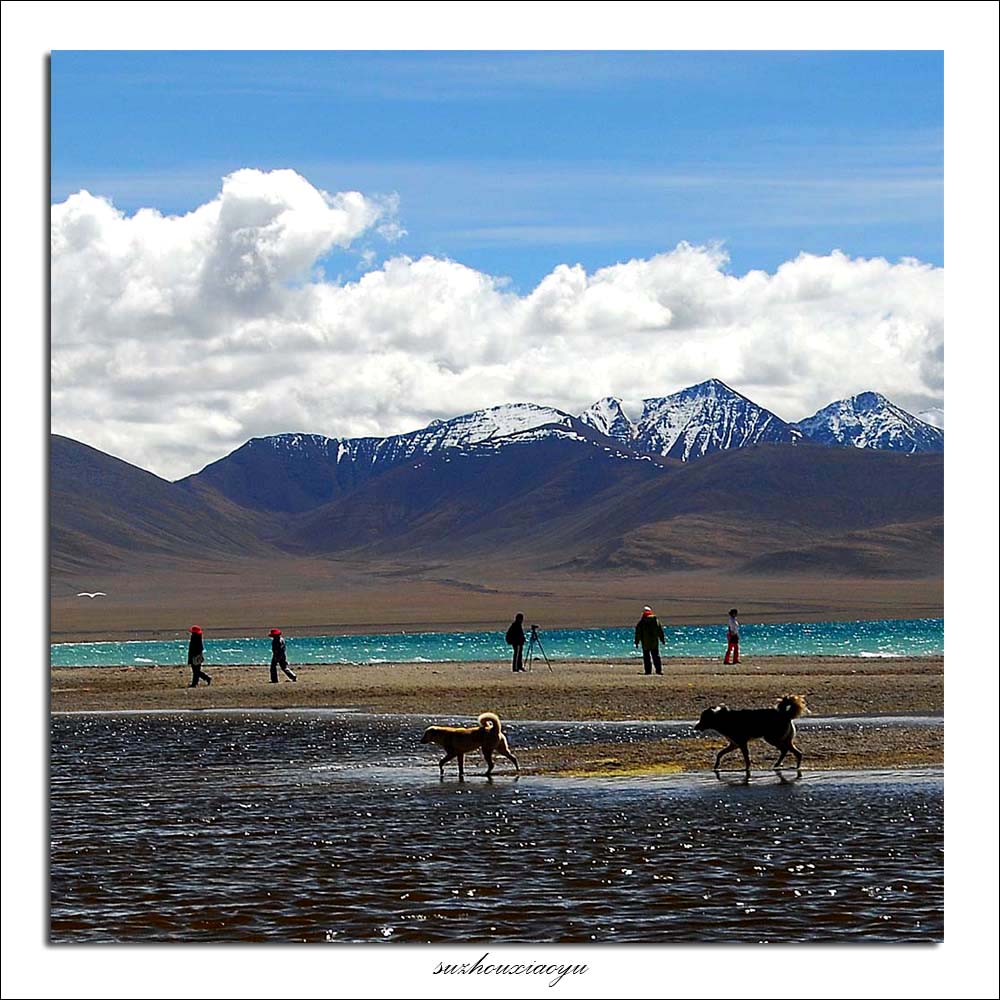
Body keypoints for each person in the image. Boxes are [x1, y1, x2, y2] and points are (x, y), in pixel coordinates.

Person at [634, 606, 666, 675]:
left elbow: (638, 633)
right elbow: (660, 631)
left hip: (645, 643)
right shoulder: (655, 621)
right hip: (654, 642)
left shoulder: (641, 622)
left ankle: (648, 671)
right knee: (656, 656)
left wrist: (636, 642)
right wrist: (662, 639)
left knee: (646, 657)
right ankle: (658, 670)